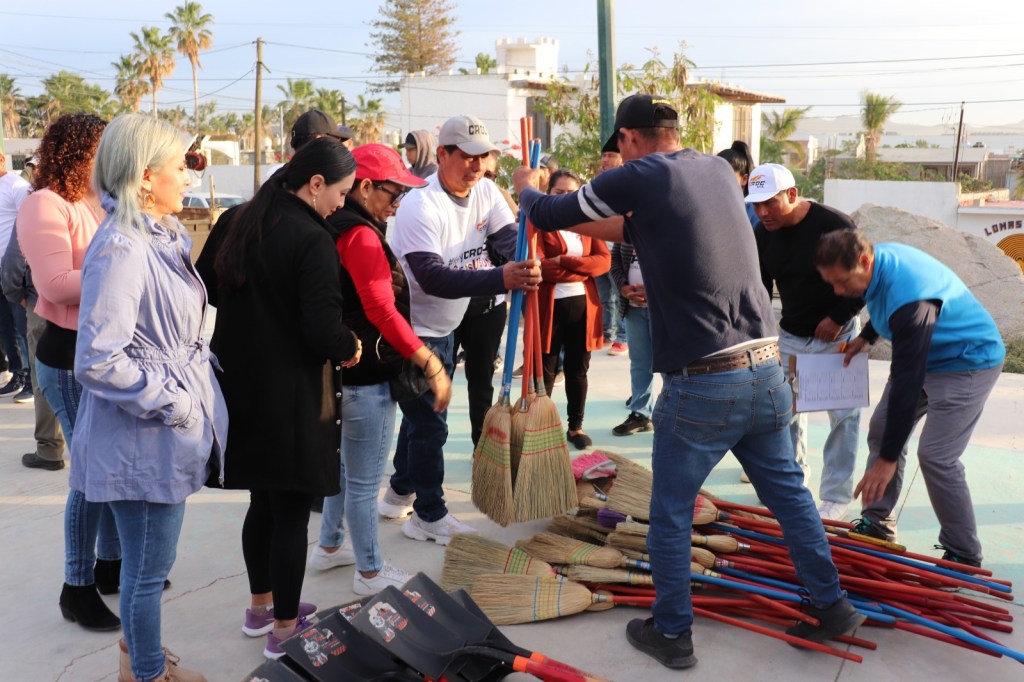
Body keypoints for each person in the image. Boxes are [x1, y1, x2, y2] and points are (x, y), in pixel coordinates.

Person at [513, 93, 863, 669]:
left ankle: (673, 632)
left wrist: (529, 184)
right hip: (767, 368)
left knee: (671, 514)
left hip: (705, 381)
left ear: (628, 138)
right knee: (791, 498)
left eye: (617, 149)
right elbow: (632, 226)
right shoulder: (718, 172)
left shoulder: (642, 174)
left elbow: (550, 214)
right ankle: (833, 606)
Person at [73, 113, 226, 682]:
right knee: (144, 573)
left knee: (148, 567)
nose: (189, 176)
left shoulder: (157, 236)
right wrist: (177, 404)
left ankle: (137, 658)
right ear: (143, 176)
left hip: (158, 433)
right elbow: (97, 359)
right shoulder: (123, 248)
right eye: (180, 165)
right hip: (140, 438)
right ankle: (147, 672)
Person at [196, 136, 361, 659]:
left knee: (262, 500)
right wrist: (350, 345)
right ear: (315, 184)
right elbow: (321, 328)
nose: (342, 204)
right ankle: (285, 632)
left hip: (239, 387)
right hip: (293, 394)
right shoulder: (311, 239)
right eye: (340, 192)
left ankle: (260, 607)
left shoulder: (236, 220)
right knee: (291, 509)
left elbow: (205, 288)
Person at [382, 114, 541, 545]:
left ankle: (398, 492)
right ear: (443, 155)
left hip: (446, 325)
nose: (476, 165)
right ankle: (428, 515)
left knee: (418, 421)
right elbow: (432, 276)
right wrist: (502, 277)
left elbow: (508, 238)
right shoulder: (421, 204)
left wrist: (521, 259)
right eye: (466, 156)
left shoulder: (486, 190)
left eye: (483, 157)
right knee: (431, 425)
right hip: (411, 333)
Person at [815, 231, 1005, 568]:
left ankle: (964, 553)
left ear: (863, 261)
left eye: (842, 282)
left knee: (936, 456)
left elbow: (908, 378)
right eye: (831, 284)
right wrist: (866, 336)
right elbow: (884, 303)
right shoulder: (880, 261)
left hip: (968, 362)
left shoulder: (912, 297)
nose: (839, 292)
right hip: (929, 356)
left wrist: (887, 460)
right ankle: (877, 525)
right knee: (882, 427)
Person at [311, 143, 451, 594]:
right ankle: (370, 571)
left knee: (345, 471)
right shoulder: (363, 235)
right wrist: (427, 359)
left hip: (337, 371)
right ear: (364, 187)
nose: (397, 205)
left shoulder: (329, 224)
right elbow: (380, 308)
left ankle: (330, 545)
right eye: (393, 194)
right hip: (367, 375)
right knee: (365, 480)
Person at [17, 113, 123, 632]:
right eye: (101, 149)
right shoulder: (44, 203)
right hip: (67, 357)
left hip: (104, 354)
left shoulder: (96, 201)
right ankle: (76, 587)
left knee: (109, 469)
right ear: (77, 151)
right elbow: (57, 284)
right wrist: (128, 265)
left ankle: (110, 567)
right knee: (89, 476)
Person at [748, 163, 864, 520]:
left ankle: (835, 496)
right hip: (791, 336)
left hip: (839, 334)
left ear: (793, 195)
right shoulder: (762, 233)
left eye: (770, 203)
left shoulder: (835, 224)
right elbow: (760, 288)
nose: (763, 211)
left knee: (844, 417)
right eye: (756, 204)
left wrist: (839, 317)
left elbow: (865, 280)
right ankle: (792, 482)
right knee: (785, 415)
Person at [536, 169, 610, 450]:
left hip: (583, 307)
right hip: (549, 308)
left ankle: (575, 427)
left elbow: (603, 261)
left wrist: (564, 261)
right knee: (546, 369)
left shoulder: (587, 222)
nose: (565, 198)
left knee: (578, 371)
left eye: (571, 193)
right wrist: (582, 268)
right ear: (548, 193)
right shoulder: (540, 222)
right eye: (559, 192)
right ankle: (541, 426)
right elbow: (541, 266)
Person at [452, 150, 513, 447]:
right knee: (430, 388)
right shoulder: (440, 200)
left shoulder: (493, 198)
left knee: (481, 385)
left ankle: (484, 450)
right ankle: (409, 472)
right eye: (475, 171)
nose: (480, 178)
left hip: (488, 307)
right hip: (447, 307)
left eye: (489, 175)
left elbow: (516, 236)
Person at [1, 221, 67, 469]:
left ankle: (49, 449)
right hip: (86, 303)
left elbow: (13, 263)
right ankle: (90, 448)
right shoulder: (91, 204)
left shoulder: (36, 206)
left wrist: (15, 294)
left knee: (44, 379)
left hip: (42, 303)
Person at [609, 241, 655, 437]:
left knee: (671, 366)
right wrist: (624, 289)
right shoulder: (625, 225)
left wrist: (654, 292)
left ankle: (676, 416)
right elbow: (616, 261)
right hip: (633, 309)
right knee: (640, 363)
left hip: (663, 309)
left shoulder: (668, 219)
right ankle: (641, 414)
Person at [0, 149, 33, 402]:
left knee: (20, 326)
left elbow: (28, 224)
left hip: (12, 268)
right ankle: (17, 375)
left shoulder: (17, 186)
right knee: (5, 327)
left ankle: (31, 381)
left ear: (2, 159)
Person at [593, 139, 627, 356]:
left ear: (621, 158)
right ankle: (608, 333)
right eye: (604, 155)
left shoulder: (625, 183)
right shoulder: (598, 183)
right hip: (599, 248)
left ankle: (623, 338)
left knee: (620, 293)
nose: (606, 159)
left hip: (617, 250)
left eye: (611, 155)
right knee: (604, 295)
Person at [717, 140, 759, 228]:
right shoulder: (711, 205)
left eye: (728, 176)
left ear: (744, 179)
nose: (720, 181)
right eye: (716, 175)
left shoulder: (754, 212)